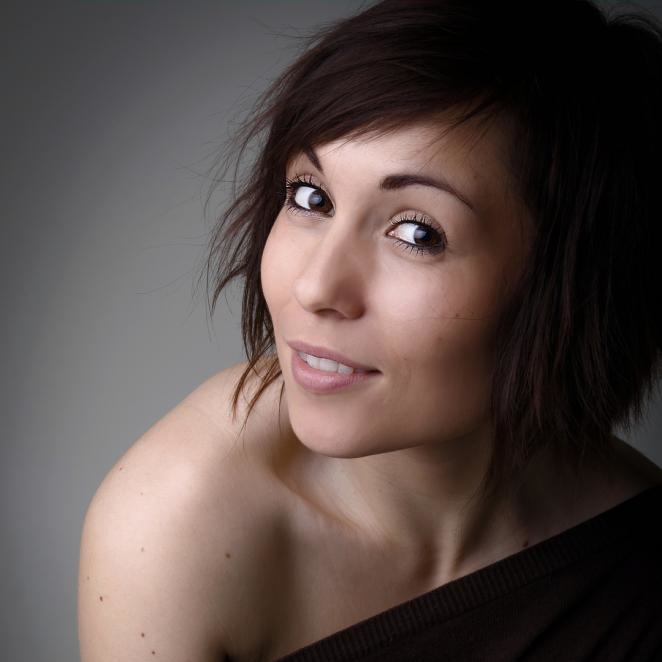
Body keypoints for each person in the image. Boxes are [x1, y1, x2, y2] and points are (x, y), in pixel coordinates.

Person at [77, 1, 662, 660]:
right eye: (311, 197)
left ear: (575, 285)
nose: (316, 287)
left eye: (417, 233)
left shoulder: (635, 565)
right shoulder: (177, 519)